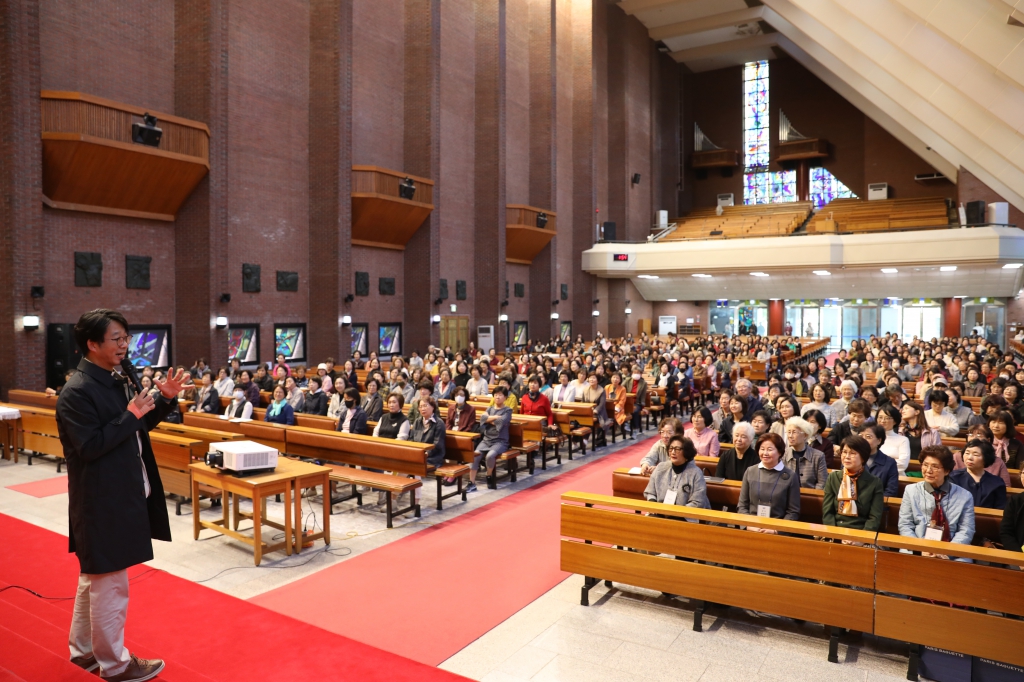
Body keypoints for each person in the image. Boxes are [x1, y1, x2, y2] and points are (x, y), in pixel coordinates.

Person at [56, 309, 190, 680]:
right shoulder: (77, 391)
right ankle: (115, 665)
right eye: (116, 339)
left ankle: (83, 652)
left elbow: (136, 426)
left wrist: (164, 401)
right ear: (92, 344)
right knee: (112, 586)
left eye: (125, 338)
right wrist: (130, 415)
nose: (124, 345)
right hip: (102, 501)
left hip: (122, 494)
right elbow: (90, 445)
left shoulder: (112, 380)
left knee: (95, 579)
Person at [898, 445, 975, 559]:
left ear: (947, 471)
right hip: (917, 547)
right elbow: (905, 524)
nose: (928, 470)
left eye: (935, 466)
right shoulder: (911, 490)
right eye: (925, 465)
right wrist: (920, 549)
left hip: (952, 550)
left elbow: (966, 530)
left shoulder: (965, 496)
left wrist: (947, 552)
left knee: (964, 562)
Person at [822, 435, 884, 531]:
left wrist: (861, 539)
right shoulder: (833, 477)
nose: (847, 457)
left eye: (852, 453)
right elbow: (827, 512)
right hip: (835, 530)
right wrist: (834, 534)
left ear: (863, 457)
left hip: (861, 531)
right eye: (844, 452)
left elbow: (874, 518)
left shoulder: (875, 482)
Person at [737, 432, 801, 525]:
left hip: (777, 529)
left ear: (779, 452)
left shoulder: (790, 476)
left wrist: (777, 531)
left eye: (769, 449)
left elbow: (793, 512)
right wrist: (748, 526)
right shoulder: (750, 471)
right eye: (762, 449)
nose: (765, 453)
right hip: (751, 526)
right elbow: (742, 506)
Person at [644, 436, 710, 512]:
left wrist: (677, 514)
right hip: (659, 513)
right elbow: (650, 492)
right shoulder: (660, 468)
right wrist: (654, 506)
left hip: (685, 517)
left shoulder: (696, 473)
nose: (673, 452)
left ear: (686, 452)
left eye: (677, 449)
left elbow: (698, 502)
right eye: (671, 448)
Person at [469, 386, 513, 492]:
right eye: (496, 395)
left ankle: (488, 476)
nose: (497, 397)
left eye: (500, 395)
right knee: (475, 455)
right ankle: (471, 483)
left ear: (505, 397)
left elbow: (500, 423)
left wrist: (488, 419)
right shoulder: (489, 408)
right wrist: (495, 418)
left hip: (500, 441)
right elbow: (482, 419)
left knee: (490, 455)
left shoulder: (508, 410)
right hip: (487, 439)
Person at [949, 440, 1006, 510]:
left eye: (975, 455)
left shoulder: (997, 483)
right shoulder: (953, 478)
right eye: (967, 453)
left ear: (986, 458)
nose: (969, 458)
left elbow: (1000, 509)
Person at [782, 417, 828, 489]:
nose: (790, 436)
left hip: (811, 497)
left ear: (805, 435)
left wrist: (811, 497)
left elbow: (822, 483)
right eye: (788, 432)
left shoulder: (818, 456)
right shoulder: (783, 454)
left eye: (794, 432)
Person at [858, 424, 899, 497]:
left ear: (879, 441)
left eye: (868, 437)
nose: (863, 440)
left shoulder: (889, 463)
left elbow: (891, 491)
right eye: (860, 436)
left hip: (878, 505)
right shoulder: (850, 459)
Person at [876, 404, 912, 475]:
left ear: (895, 421)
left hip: (895, 476)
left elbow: (903, 464)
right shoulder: (871, 437)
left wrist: (878, 467)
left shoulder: (903, 440)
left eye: (887, 418)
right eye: (880, 417)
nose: (883, 421)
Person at [999, 468, 1024, 551]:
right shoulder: (1015, 501)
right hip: (1018, 554)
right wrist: (1018, 557)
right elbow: (1006, 532)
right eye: (1023, 473)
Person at [624, 367, 648, 434]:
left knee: (635, 410)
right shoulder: (627, 380)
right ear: (632, 373)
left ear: (641, 374)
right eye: (635, 373)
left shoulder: (643, 383)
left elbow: (643, 397)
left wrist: (643, 407)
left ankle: (635, 428)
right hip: (627, 402)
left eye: (638, 373)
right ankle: (625, 424)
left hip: (637, 402)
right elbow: (621, 389)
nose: (636, 374)